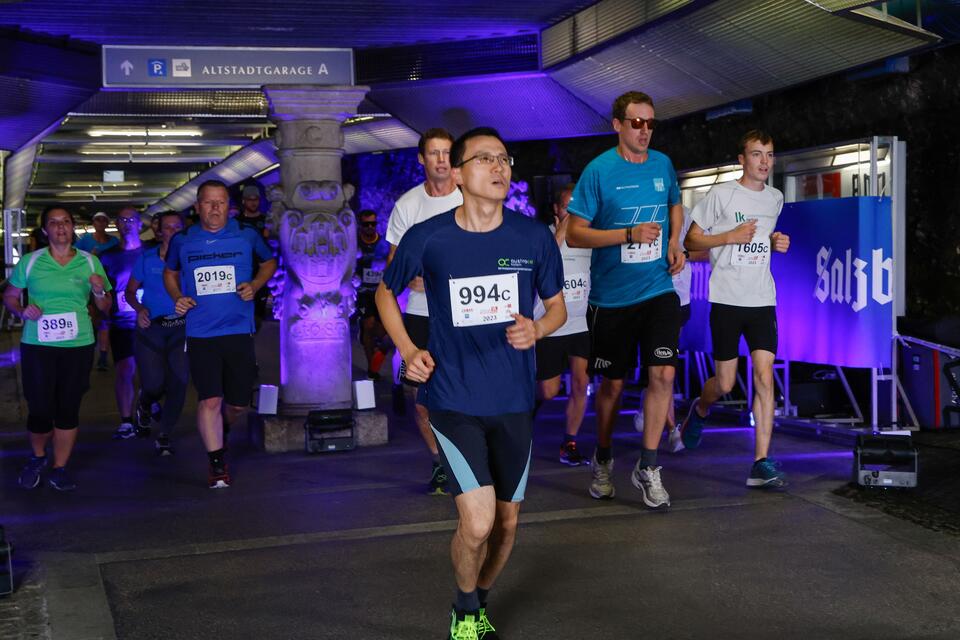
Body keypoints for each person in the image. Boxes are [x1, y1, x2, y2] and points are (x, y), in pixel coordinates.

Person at [377, 127, 565, 640]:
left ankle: (476, 598)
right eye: (484, 159)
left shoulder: (531, 237)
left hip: (512, 401)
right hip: (454, 399)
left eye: (504, 159)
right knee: (478, 522)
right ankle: (463, 611)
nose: (499, 167)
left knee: (506, 525)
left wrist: (539, 328)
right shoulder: (429, 237)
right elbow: (384, 294)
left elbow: (557, 307)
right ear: (458, 174)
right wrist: (409, 350)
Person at [565, 90, 686, 508]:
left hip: (657, 289)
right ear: (618, 124)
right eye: (637, 123)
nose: (645, 131)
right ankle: (603, 456)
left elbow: (675, 203)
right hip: (611, 298)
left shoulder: (662, 164)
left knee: (664, 375)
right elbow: (574, 233)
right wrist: (627, 234)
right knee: (612, 386)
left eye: (650, 123)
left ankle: (648, 466)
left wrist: (675, 243)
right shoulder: (598, 171)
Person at [680, 130, 790, 488]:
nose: (764, 162)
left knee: (763, 375)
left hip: (762, 299)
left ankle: (761, 462)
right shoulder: (721, 195)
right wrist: (728, 236)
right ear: (741, 159)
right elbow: (691, 240)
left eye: (769, 155)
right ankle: (700, 407)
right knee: (725, 383)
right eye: (756, 154)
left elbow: (762, 242)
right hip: (726, 300)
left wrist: (776, 243)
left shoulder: (775, 198)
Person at [164, 180, 277, 488]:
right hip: (201, 332)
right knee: (210, 399)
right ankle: (216, 462)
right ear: (197, 206)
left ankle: (220, 429)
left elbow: (269, 262)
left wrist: (255, 285)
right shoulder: (183, 240)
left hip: (239, 329)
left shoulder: (246, 235)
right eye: (208, 203)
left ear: (230, 206)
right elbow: (170, 272)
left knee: (237, 403)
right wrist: (177, 296)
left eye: (221, 202)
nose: (215, 208)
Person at [3, 205, 112, 491]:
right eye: (54, 223)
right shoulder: (30, 261)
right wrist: (22, 310)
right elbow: (10, 296)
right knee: (39, 407)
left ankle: (60, 466)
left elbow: (105, 306)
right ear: (45, 230)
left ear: (72, 228)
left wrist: (99, 290)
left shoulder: (90, 263)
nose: (61, 227)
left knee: (68, 406)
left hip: (78, 344)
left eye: (66, 222)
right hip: (39, 345)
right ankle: (38, 456)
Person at [386, 127, 463, 495]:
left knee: (465, 393)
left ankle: (469, 458)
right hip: (420, 315)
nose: (441, 160)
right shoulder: (408, 205)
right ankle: (440, 463)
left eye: (447, 152)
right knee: (419, 398)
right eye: (434, 153)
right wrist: (411, 274)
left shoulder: (471, 198)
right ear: (422, 159)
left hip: (465, 312)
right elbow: (392, 270)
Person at [533, 183, 592, 466]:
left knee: (582, 382)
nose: (573, 213)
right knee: (549, 390)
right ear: (557, 209)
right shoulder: (542, 236)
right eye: (568, 206)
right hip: (550, 322)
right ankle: (524, 411)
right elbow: (540, 266)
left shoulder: (588, 238)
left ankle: (570, 442)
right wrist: (560, 233)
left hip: (580, 322)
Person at [126, 211, 189, 456]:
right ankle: (144, 403)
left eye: (178, 227)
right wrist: (140, 309)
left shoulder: (190, 258)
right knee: (153, 384)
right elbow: (130, 292)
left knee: (180, 382)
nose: (173, 232)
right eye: (168, 228)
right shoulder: (147, 258)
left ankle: (165, 434)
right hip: (151, 328)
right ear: (159, 231)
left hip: (180, 327)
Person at [99, 208, 144, 440]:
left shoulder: (152, 253)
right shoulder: (106, 257)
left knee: (152, 373)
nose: (127, 224)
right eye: (122, 220)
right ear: (116, 225)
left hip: (151, 322)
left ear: (140, 224)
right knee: (125, 370)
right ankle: (126, 421)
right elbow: (102, 293)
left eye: (131, 220)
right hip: (122, 323)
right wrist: (104, 318)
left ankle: (148, 404)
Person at [76, 211, 120, 370]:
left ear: (107, 223)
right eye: (97, 220)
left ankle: (102, 357)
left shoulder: (114, 241)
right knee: (92, 318)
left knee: (105, 320)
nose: (101, 223)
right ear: (93, 223)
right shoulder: (85, 240)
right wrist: (90, 255)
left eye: (103, 220)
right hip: (87, 285)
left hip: (108, 283)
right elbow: (75, 259)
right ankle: (88, 350)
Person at [354, 209, 391, 379]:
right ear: (360, 225)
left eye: (373, 224)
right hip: (363, 293)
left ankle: (369, 339)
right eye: (366, 224)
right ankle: (372, 369)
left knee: (382, 332)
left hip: (382, 292)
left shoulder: (383, 243)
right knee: (369, 325)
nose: (370, 227)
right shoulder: (355, 244)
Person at [236, 184, 271, 326]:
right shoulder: (237, 223)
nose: (253, 202)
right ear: (243, 201)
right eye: (249, 199)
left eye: (256, 199)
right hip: (243, 272)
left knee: (258, 312)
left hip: (263, 271)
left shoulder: (267, 221)